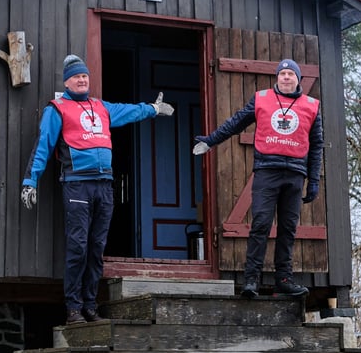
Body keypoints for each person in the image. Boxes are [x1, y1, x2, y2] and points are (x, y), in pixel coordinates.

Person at [21, 54, 174, 324]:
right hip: (77, 185)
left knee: (96, 247)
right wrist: (30, 181)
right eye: (77, 76)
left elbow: (128, 111)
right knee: (78, 247)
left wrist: (152, 108)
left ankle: (91, 307)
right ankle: (73, 309)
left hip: (104, 184)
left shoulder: (100, 107)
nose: (82, 80)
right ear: (67, 82)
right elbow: (43, 145)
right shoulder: (57, 109)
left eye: (85, 76)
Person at [193, 58, 323, 298]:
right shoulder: (261, 98)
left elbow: (316, 145)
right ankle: (251, 280)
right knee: (260, 224)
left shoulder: (312, 105)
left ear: (298, 79)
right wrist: (211, 140)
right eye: (282, 73)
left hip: (295, 174)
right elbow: (236, 122)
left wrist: (314, 180)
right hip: (266, 171)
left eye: (290, 74)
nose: (286, 77)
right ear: (277, 77)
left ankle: (284, 279)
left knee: (288, 229)